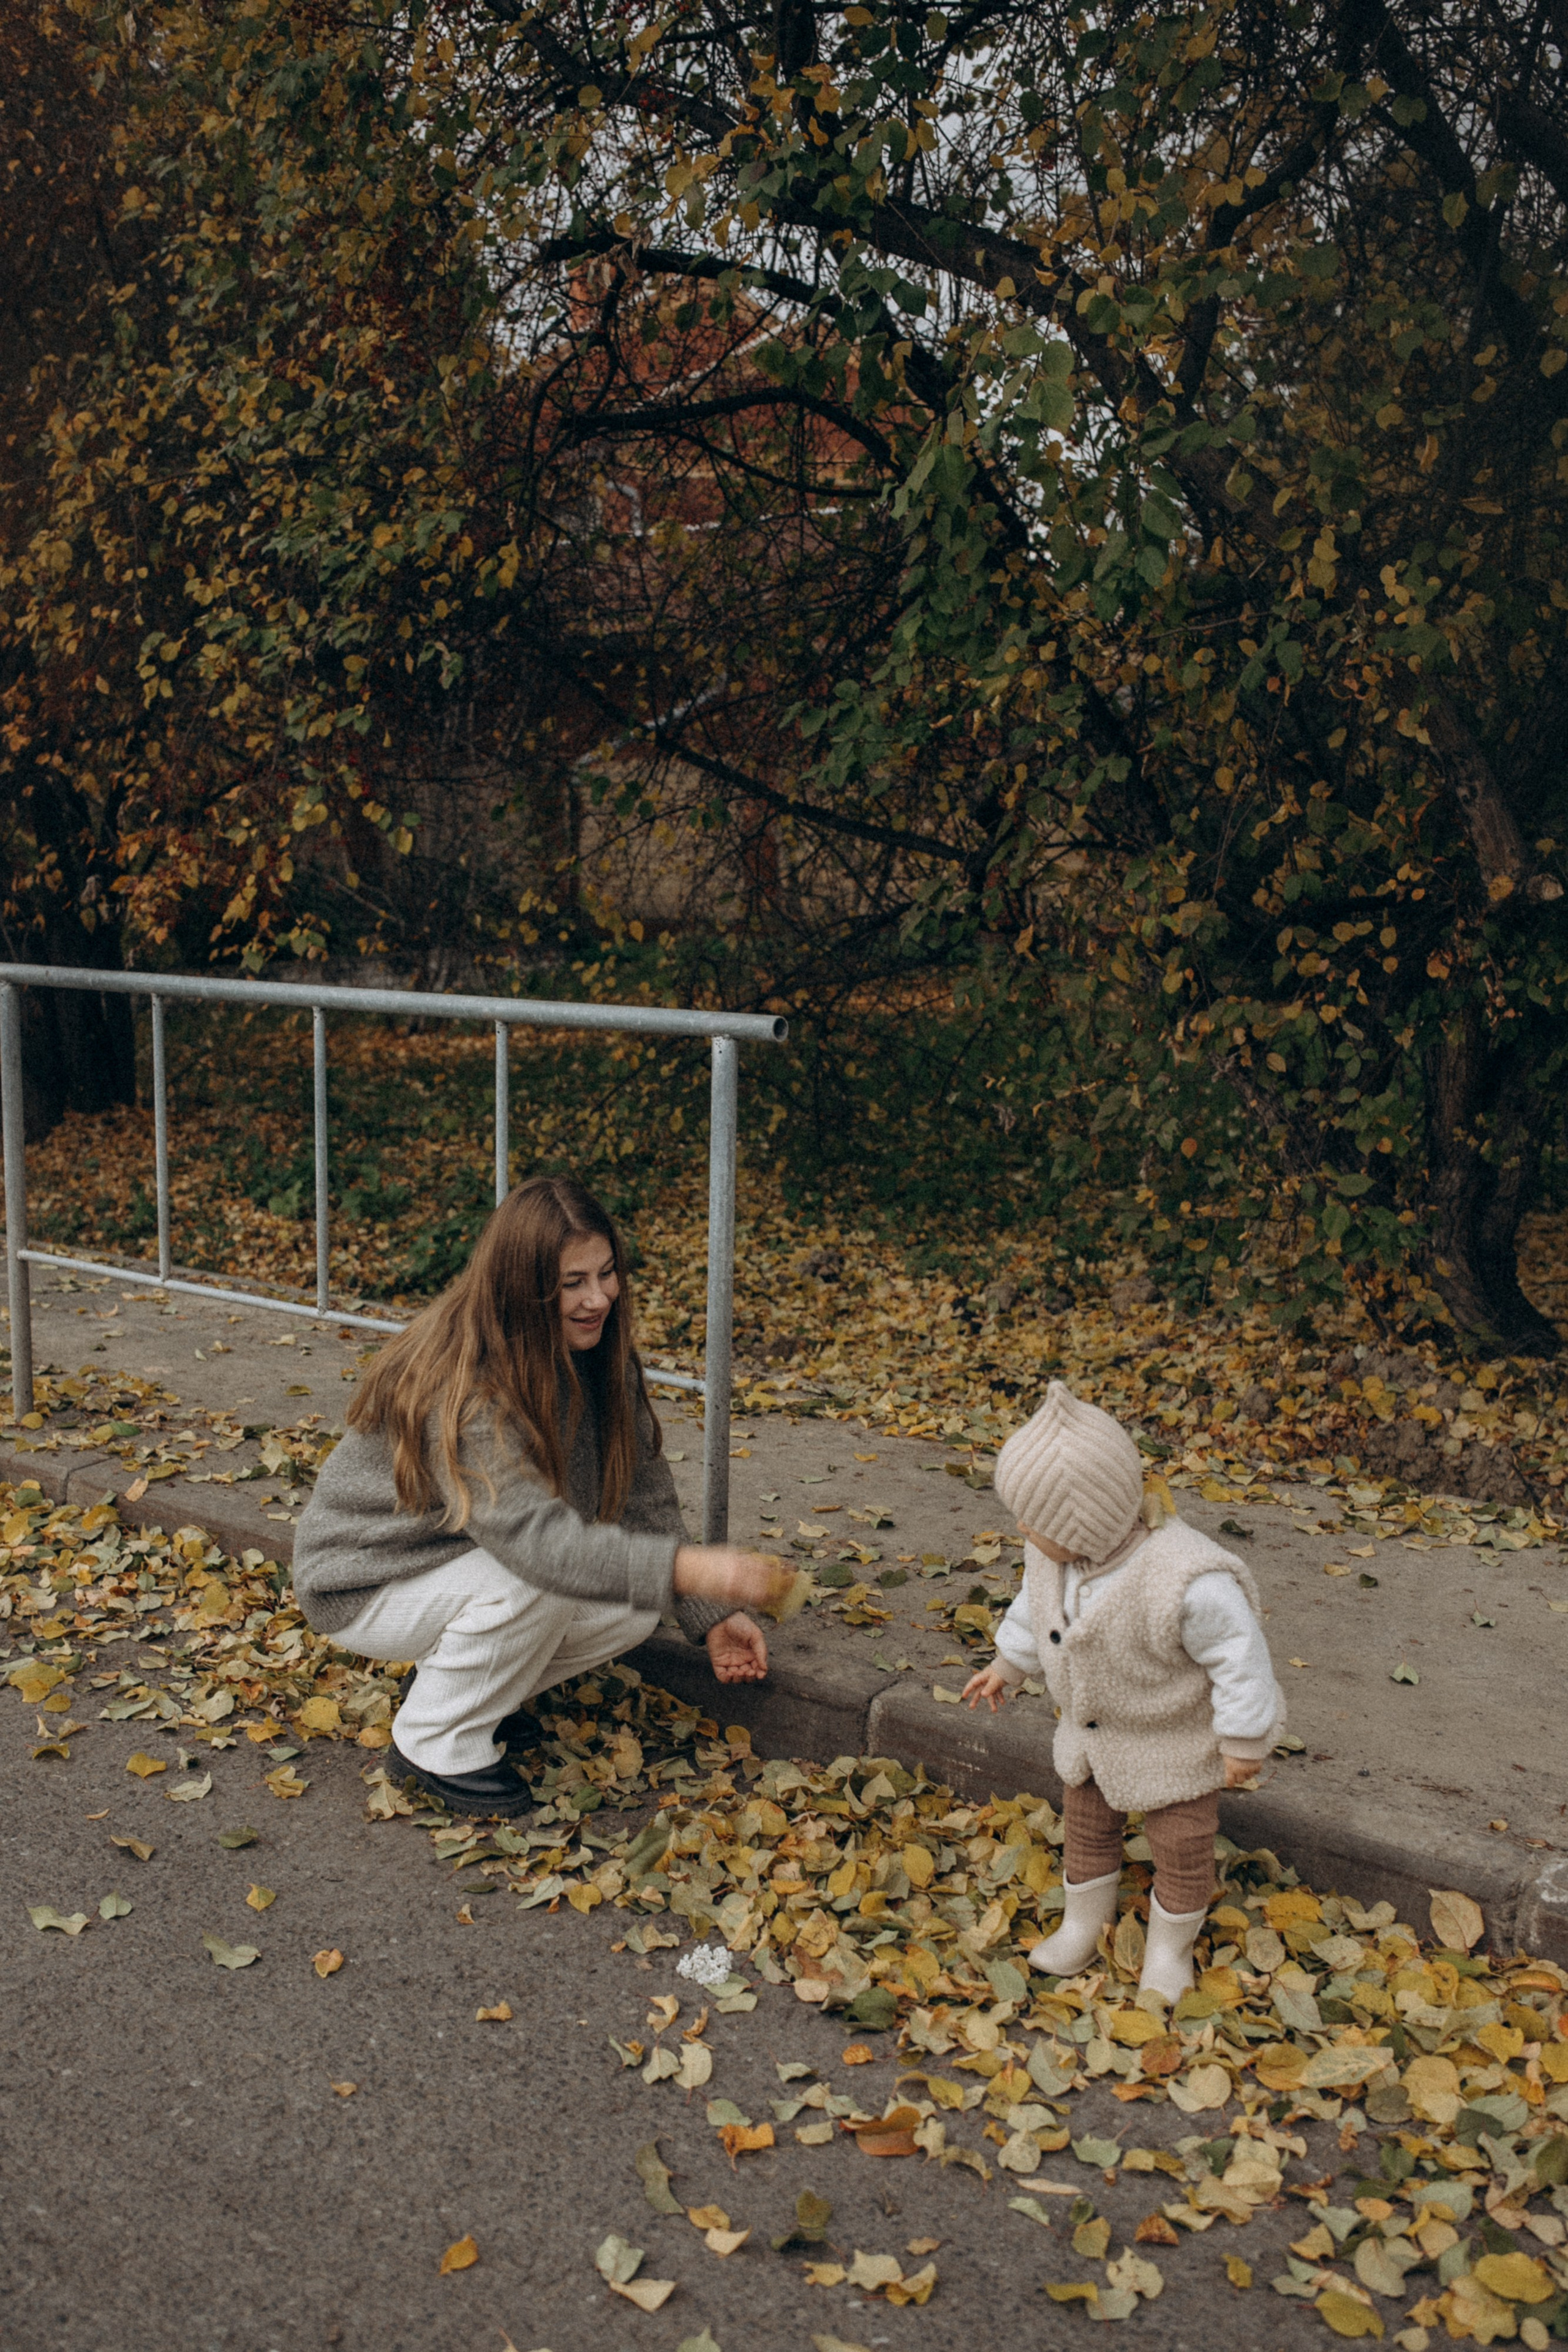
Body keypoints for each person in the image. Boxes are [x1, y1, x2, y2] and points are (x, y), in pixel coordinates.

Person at [293, 1173, 778, 1817]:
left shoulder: (600, 1356)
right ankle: (430, 1744)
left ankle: (459, 1692)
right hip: (367, 1577)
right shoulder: (466, 1379)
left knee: (632, 1603)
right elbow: (533, 1543)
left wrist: (708, 1612)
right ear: (523, 1287)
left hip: (456, 1557)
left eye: (606, 1274)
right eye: (572, 1283)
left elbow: (645, 1498)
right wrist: (697, 1567)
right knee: (544, 1574)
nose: (598, 1298)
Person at [962, 1381, 1284, 2002]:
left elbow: (1240, 1656)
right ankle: (1085, 1922)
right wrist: (1008, 1663)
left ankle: (1169, 1949)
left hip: (1175, 1742)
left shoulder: (1185, 1579)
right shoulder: (1049, 1558)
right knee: (1085, 1828)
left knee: (1181, 1845)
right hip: (1092, 1739)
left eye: (1033, 1518)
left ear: (1084, 1522)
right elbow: (1036, 1610)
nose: (1023, 1528)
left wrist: (1243, 1737)